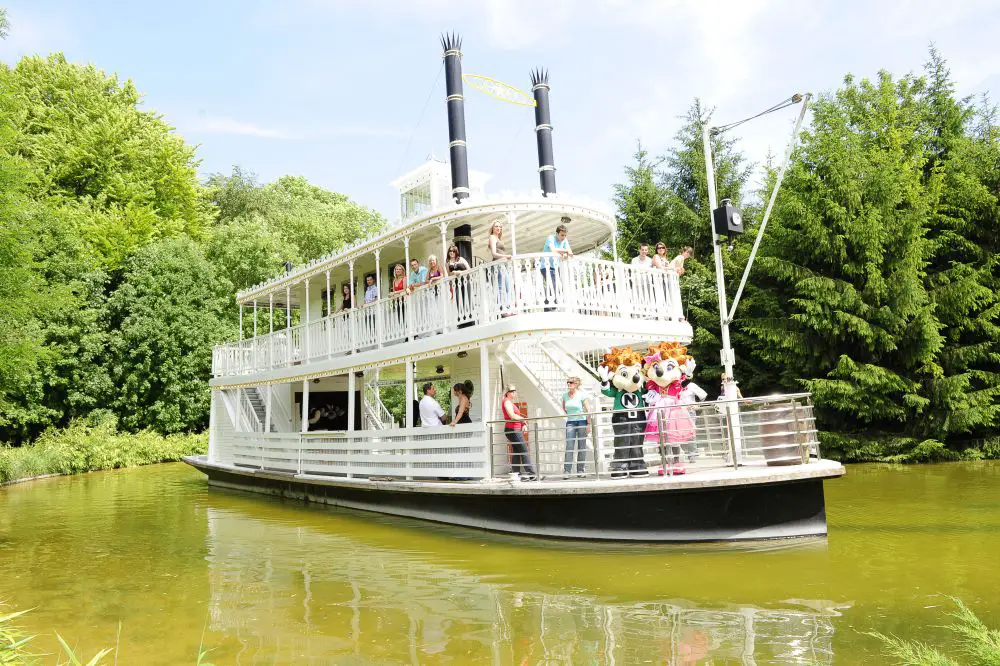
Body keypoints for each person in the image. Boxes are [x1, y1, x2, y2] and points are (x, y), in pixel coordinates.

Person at [501, 386, 536, 479]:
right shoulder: (507, 402)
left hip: (515, 429)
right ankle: (532, 475)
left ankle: (515, 474)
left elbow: (518, 415)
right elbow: (512, 416)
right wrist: (525, 419)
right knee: (524, 450)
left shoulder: (510, 402)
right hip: (512, 430)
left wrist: (523, 423)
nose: (514, 393)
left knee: (517, 451)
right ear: (507, 392)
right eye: (512, 391)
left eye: (514, 391)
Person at [540, 222, 572, 312]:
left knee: (558, 286)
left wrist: (566, 253)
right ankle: (548, 309)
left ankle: (551, 308)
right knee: (552, 285)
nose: (563, 237)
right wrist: (565, 251)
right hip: (545, 267)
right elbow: (553, 250)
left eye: (565, 235)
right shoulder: (551, 238)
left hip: (556, 267)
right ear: (557, 233)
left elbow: (570, 252)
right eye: (562, 235)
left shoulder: (565, 240)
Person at [562, 376, 591, 476]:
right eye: (568, 382)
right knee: (569, 446)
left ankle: (580, 470)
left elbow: (588, 410)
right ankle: (567, 471)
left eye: (571, 382)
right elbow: (565, 408)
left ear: (576, 384)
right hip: (570, 422)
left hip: (582, 422)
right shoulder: (564, 395)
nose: (569, 384)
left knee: (581, 446)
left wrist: (588, 424)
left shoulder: (582, 395)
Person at [487, 219, 513, 315]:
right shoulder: (492, 237)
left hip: (502, 265)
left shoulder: (498, 239)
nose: (499, 228)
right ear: (492, 228)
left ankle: (508, 308)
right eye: (496, 226)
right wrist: (506, 256)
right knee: (501, 287)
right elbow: (494, 254)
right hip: (497, 264)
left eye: (500, 227)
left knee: (507, 286)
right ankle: (503, 310)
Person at [446, 244, 472, 329]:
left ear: (456, 252)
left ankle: (469, 319)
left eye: (453, 251)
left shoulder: (461, 259)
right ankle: (461, 321)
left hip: (465, 281)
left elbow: (469, 269)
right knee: (459, 300)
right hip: (456, 284)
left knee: (467, 299)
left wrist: (461, 272)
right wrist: (454, 273)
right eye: (450, 251)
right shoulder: (448, 263)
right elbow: (449, 275)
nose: (452, 253)